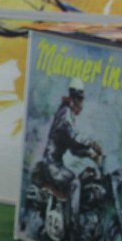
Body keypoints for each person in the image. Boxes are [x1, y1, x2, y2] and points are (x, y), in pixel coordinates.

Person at [34, 82, 101, 222]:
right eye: (80, 99)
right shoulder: (65, 115)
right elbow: (73, 136)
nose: (81, 104)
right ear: (74, 99)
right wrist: (92, 143)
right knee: (74, 183)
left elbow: (73, 148)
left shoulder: (67, 114)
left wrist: (90, 155)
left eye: (81, 100)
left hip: (55, 163)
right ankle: (73, 226)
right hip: (52, 165)